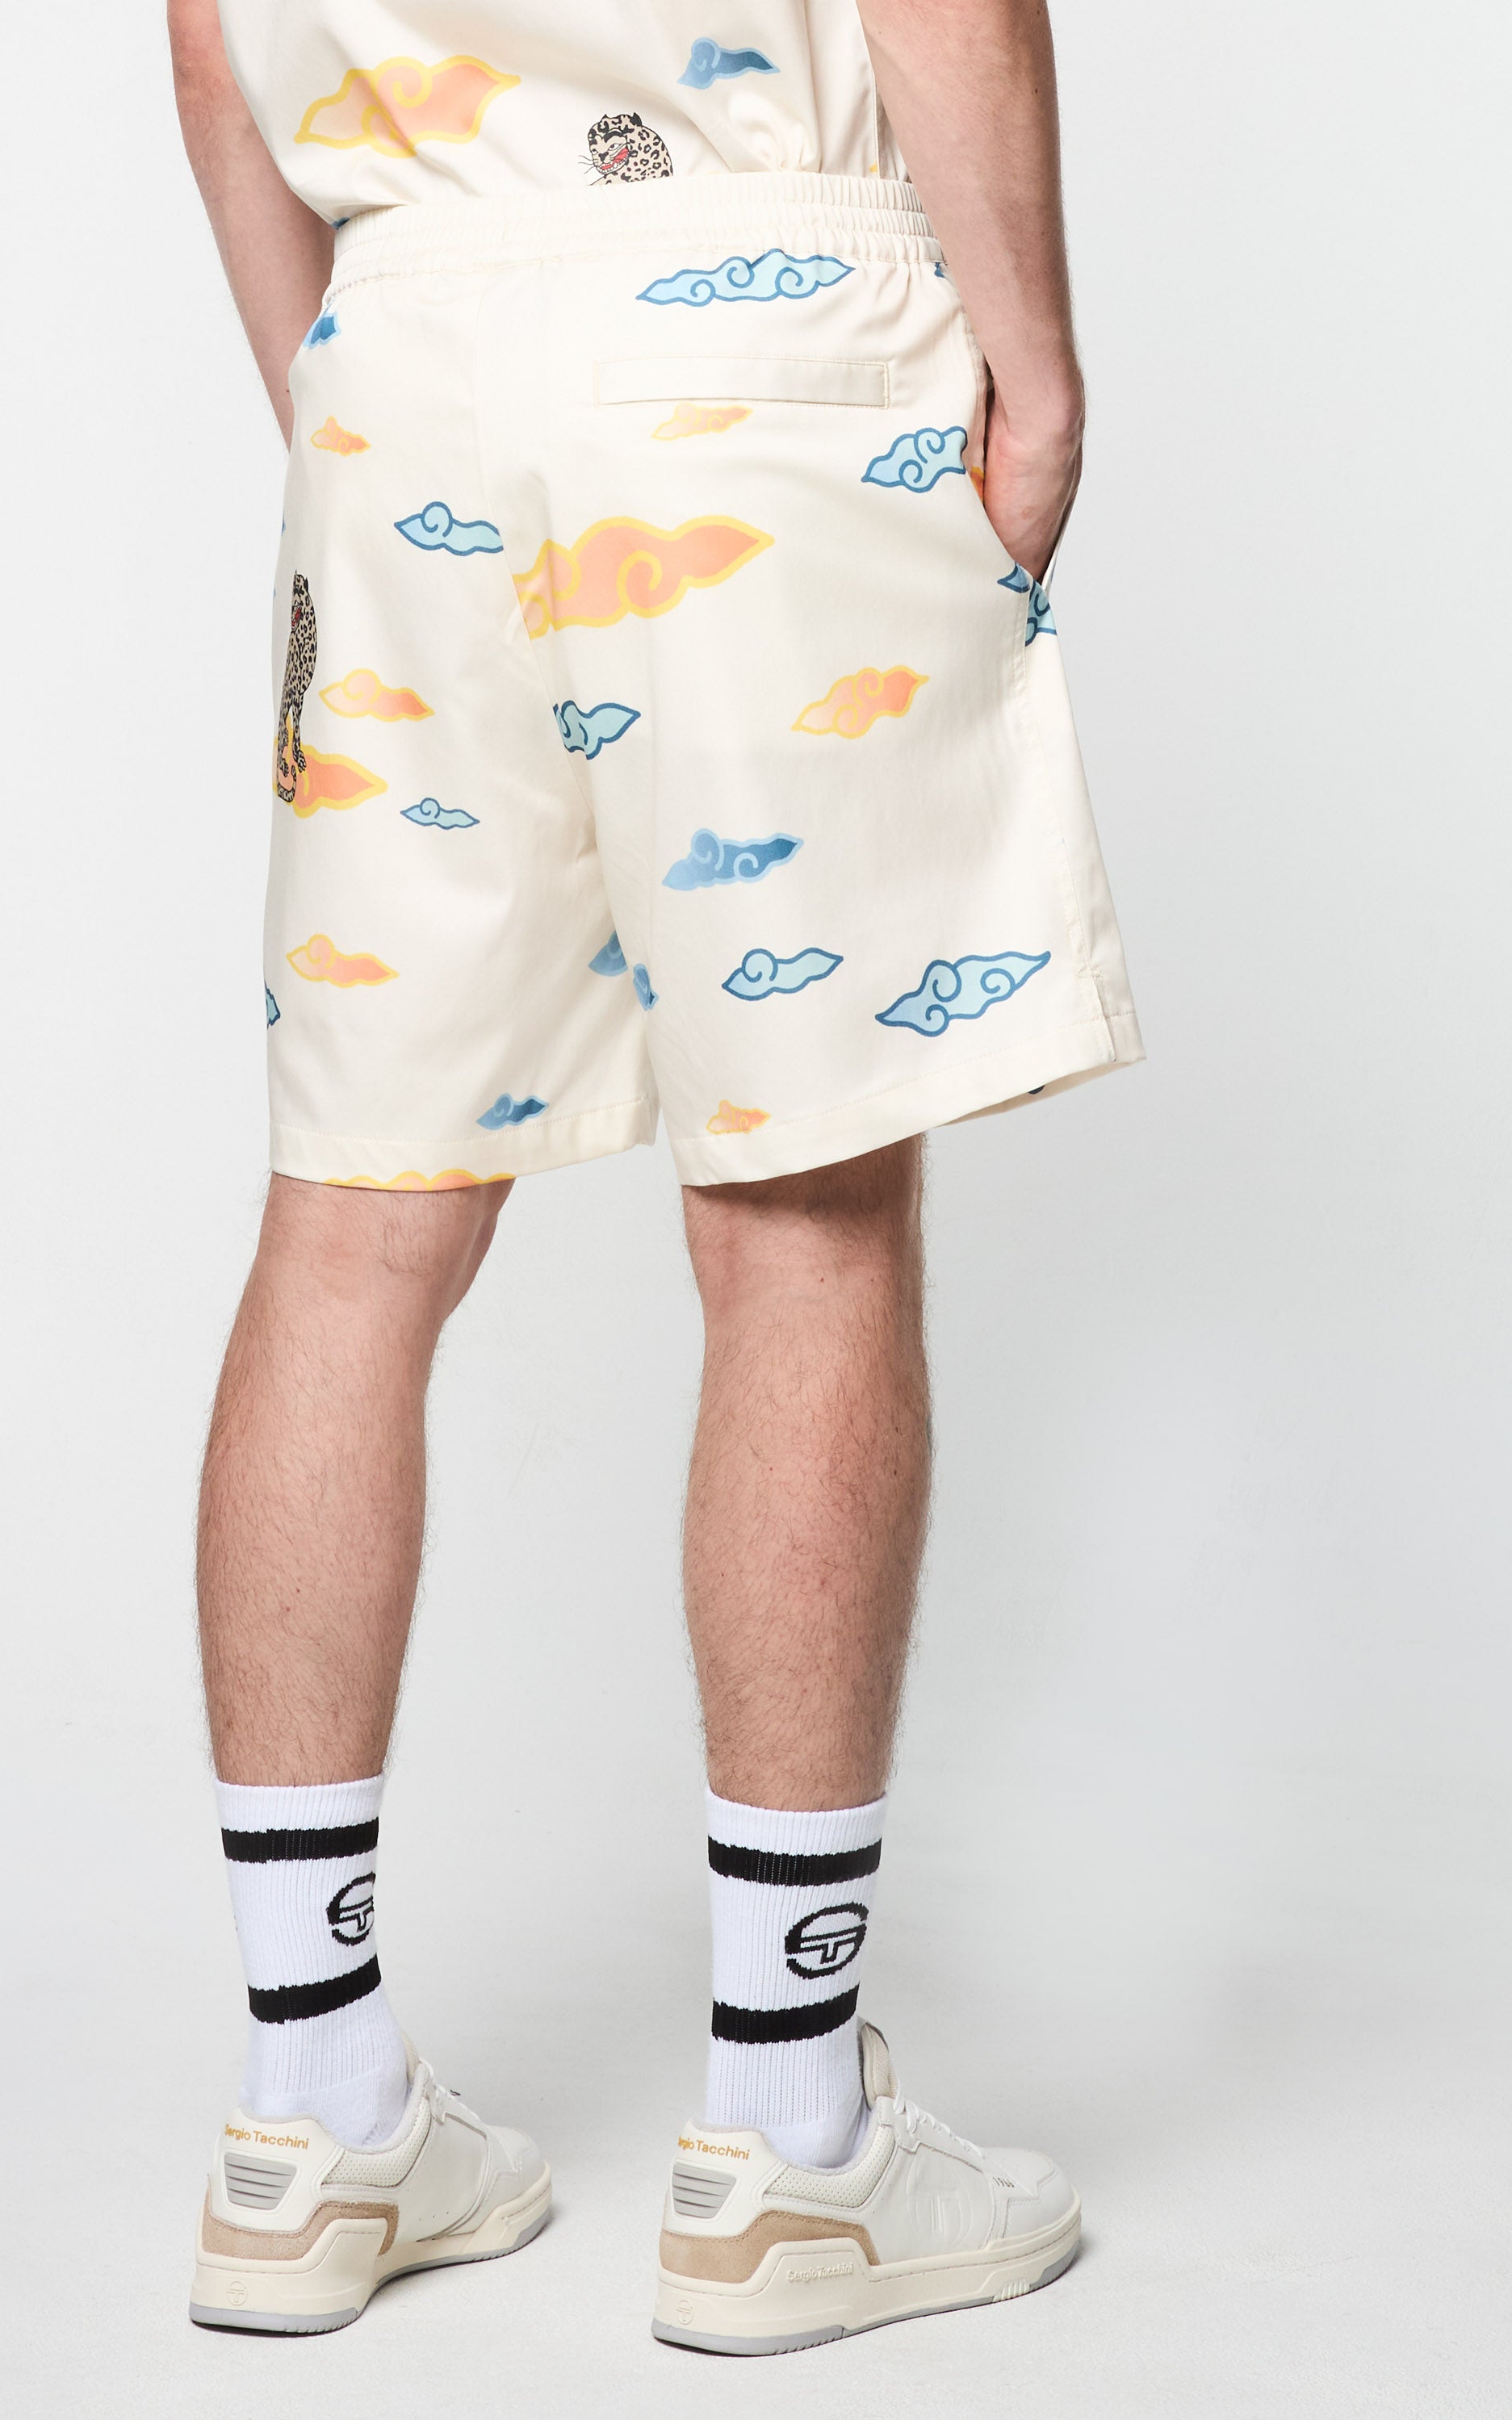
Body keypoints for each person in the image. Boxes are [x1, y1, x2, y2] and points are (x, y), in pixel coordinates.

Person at [168, 0, 1140, 2354]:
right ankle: (793, 2148)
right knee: (805, 1210)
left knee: (355, 1222)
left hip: (404, 344)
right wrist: (1032, 374)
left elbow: (207, 43)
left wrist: (359, 383)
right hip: (750, 328)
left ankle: (313, 2118)